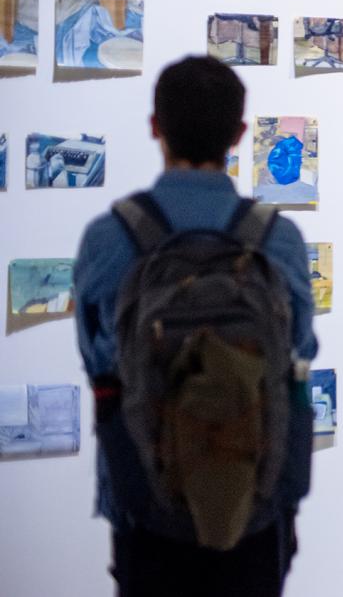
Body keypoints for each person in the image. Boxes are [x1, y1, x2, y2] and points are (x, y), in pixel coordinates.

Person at [74, 56, 318, 597]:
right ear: (238, 133)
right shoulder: (277, 239)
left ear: (155, 127)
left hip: (146, 501)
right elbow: (299, 350)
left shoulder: (110, 238)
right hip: (254, 503)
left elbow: (99, 362)